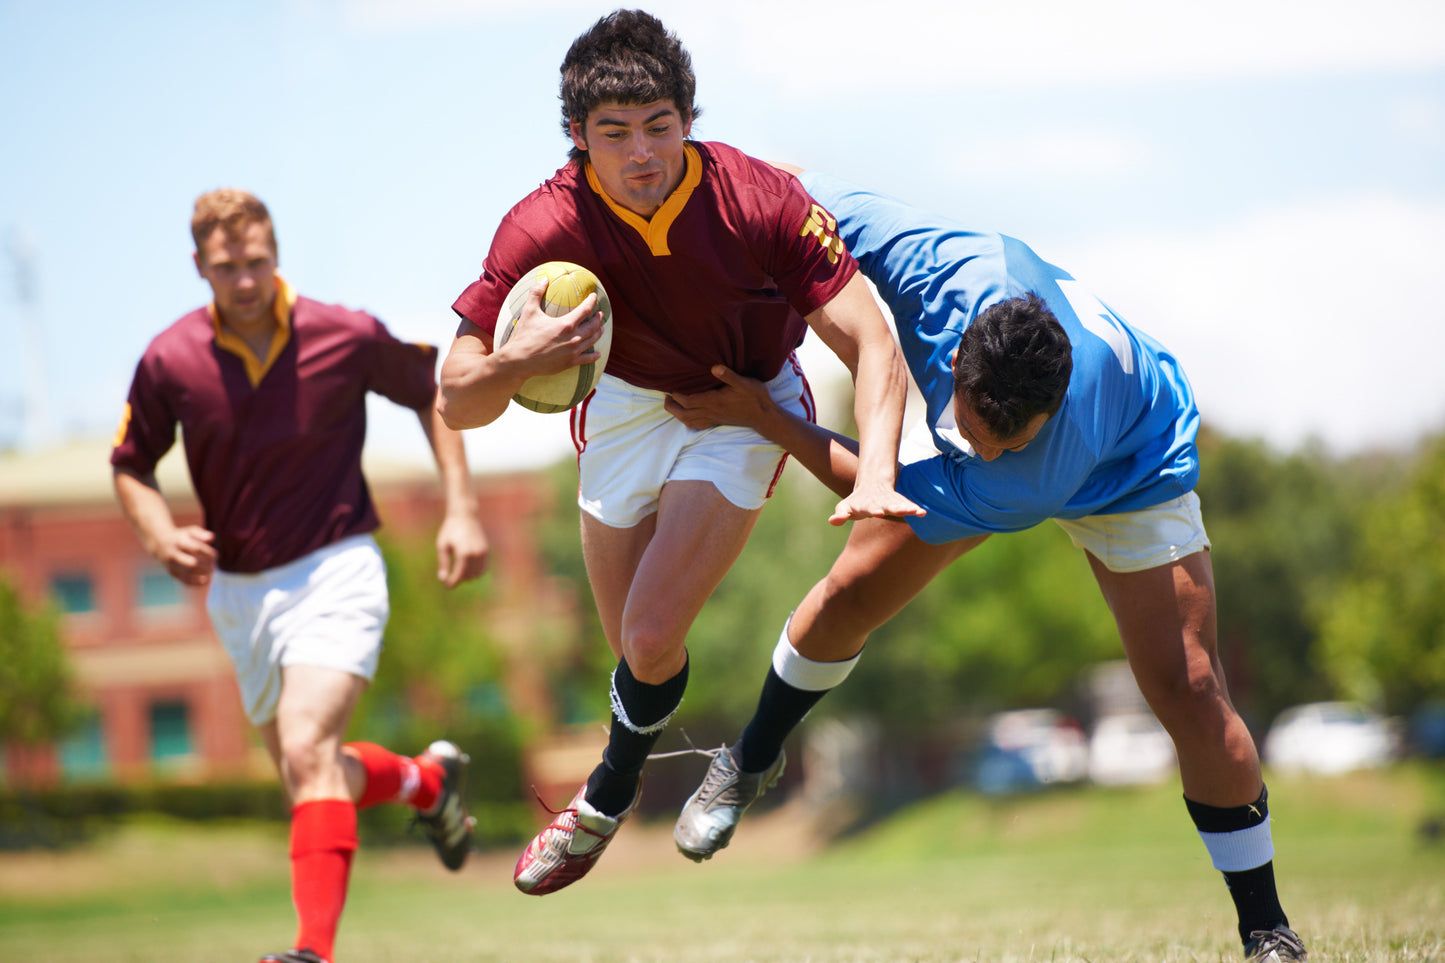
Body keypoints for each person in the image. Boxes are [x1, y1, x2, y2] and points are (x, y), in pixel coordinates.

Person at [665, 169, 1309, 962]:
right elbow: (790, 207)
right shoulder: (926, 263)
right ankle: (751, 757)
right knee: (848, 594)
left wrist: (765, 417)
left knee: (1188, 684)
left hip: (1132, 463)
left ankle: (1266, 928)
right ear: (961, 350)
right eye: (977, 427)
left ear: (1047, 408)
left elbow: (880, 492)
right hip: (1015, 458)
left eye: (1009, 438)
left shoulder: (1025, 469)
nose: (988, 444)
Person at [438, 10, 917, 896]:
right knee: (635, 649)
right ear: (577, 138)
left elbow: (871, 341)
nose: (641, 152)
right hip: (624, 402)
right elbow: (457, 395)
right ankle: (626, 765)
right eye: (613, 134)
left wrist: (878, 471)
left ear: (688, 120)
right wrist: (519, 360)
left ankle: (604, 793)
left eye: (659, 125)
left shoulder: (759, 197)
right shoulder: (544, 223)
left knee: (654, 631)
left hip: (745, 396)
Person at [111, 189, 490, 963]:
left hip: (335, 564)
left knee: (309, 746)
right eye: (226, 268)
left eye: (255, 262)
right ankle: (426, 781)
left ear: (276, 254)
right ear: (199, 268)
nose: (244, 281)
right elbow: (129, 465)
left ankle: (311, 953)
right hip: (239, 592)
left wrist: (461, 507)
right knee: (311, 772)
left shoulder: (341, 332)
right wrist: (157, 533)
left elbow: (433, 392)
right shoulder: (168, 358)